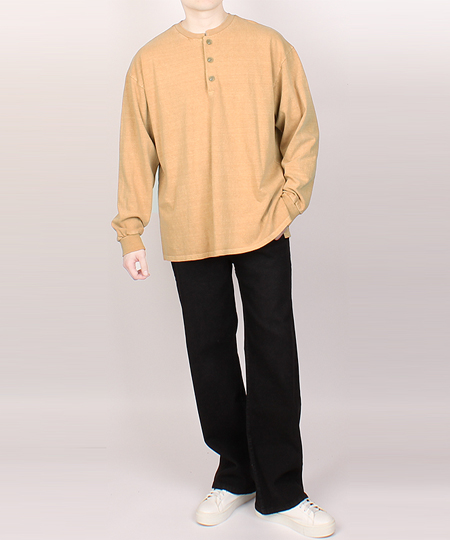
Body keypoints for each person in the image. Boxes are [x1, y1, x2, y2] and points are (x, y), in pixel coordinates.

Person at [111, 1, 336, 537]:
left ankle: (284, 489)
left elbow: (301, 128)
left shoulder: (268, 45)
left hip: (261, 224)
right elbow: (136, 150)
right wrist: (131, 230)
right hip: (190, 227)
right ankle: (236, 473)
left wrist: (288, 202)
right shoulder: (149, 61)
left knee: (273, 353)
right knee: (209, 356)